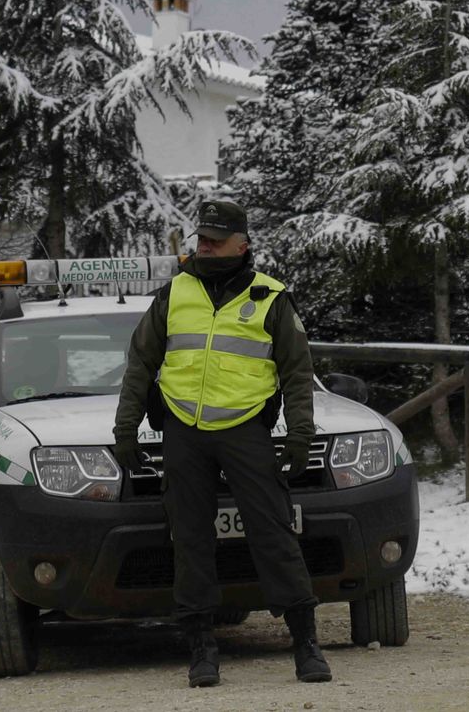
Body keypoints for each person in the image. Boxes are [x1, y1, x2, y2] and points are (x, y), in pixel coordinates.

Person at [112, 199, 331, 687]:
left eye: (215, 238)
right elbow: (140, 364)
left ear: (242, 243)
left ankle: (306, 643)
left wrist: (300, 433)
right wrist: (126, 427)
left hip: (246, 429)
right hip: (183, 431)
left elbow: (298, 373)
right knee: (190, 540)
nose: (205, 244)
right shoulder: (175, 294)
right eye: (201, 237)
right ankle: (202, 649)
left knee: (274, 535)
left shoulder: (271, 296)